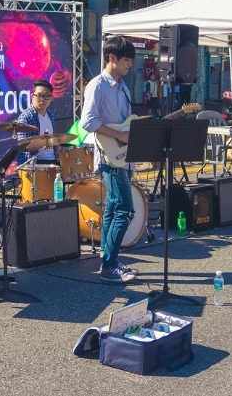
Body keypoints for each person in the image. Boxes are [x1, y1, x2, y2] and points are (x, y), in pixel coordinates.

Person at [81, 36, 139, 283]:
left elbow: (126, 123)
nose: (130, 64)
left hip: (124, 155)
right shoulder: (98, 85)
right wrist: (119, 135)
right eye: (126, 60)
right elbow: (87, 121)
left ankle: (108, 257)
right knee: (125, 210)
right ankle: (109, 265)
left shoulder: (123, 87)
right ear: (112, 58)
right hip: (109, 156)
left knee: (114, 207)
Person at [15, 79, 58, 165]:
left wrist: (59, 149)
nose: (42, 99)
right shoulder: (26, 117)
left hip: (52, 161)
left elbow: (54, 140)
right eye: (39, 95)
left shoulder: (51, 115)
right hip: (33, 163)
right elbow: (23, 146)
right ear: (32, 96)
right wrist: (46, 142)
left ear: (51, 98)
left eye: (46, 96)